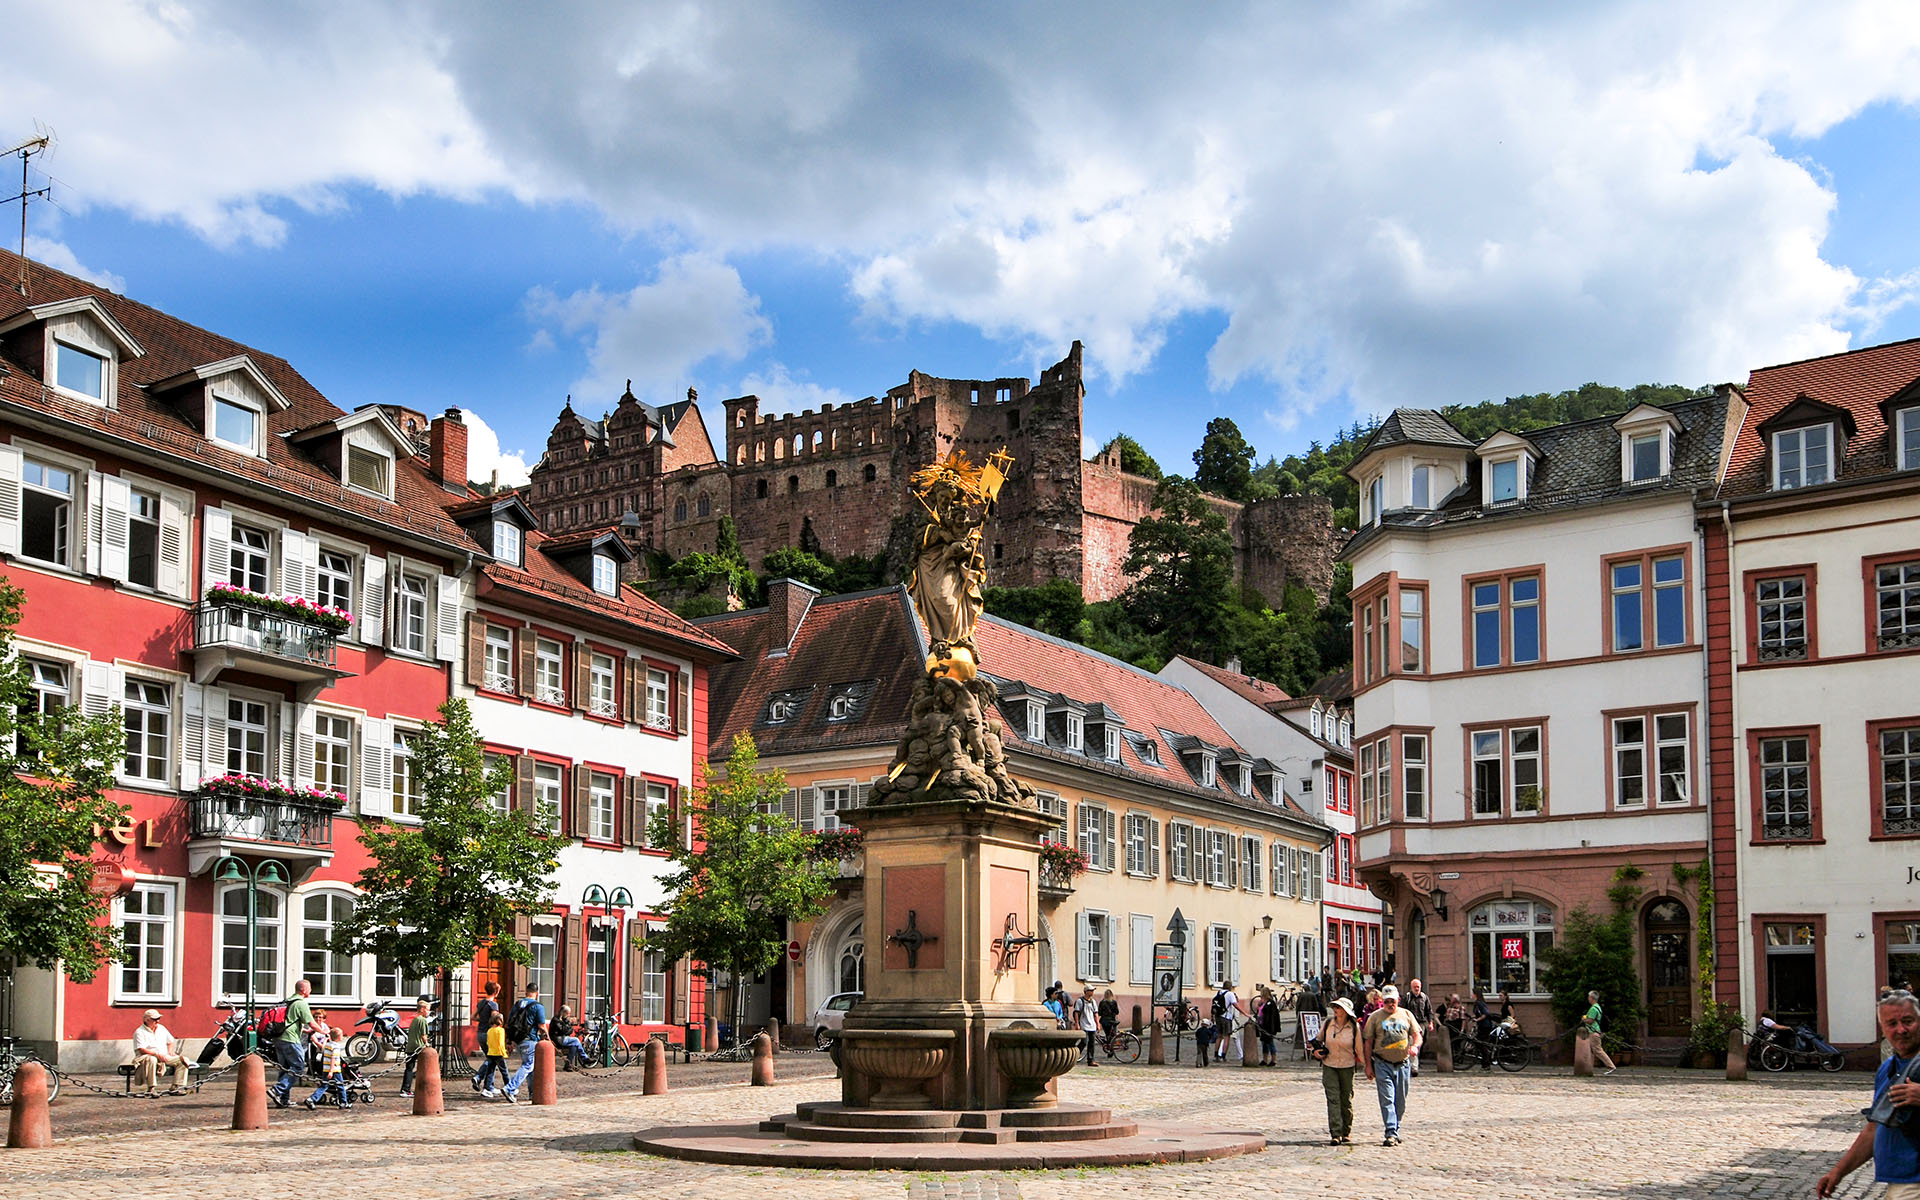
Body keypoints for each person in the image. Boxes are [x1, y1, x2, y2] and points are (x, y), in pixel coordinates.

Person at [1818, 989, 1920, 1197]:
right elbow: (1874, 1128)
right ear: (1882, 1028)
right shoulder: (1888, 1067)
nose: (1901, 1029)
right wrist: (1838, 1172)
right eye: (1892, 1024)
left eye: (1908, 1021)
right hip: (1897, 1180)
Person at [1363, 985, 1421, 1147]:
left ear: (1398, 1000)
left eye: (1393, 1001)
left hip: (1403, 1064)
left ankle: (1396, 1126)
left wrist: (1415, 1046)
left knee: (1400, 1101)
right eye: (1387, 1001)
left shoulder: (1407, 1014)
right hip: (1382, 1063)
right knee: (1387, 1098)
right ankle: (1390, 1132)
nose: (1390, 1004)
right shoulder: (1375, 1017)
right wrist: (1368, 1065)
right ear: (1382, 1001)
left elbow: (1417, 1035)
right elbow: (1368, 1043)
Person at [1313, 997, 1362, 1146]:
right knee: (1333, 1098)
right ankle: (1335, 1133)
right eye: (1334, 1007)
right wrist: (1316, 1051)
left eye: (1339, 1007)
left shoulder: (1354, 1027)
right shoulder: (1328, 1023)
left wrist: (1368, 1067)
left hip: (1347, 1066)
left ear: (1346, 1011)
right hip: (1330, 1065)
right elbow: (1317, 1040)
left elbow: (1359, 1049)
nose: (1336, 1010)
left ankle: (1346, 1131)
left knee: (1346, 1099)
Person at [270, 978, 320, 1108]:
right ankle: (277, 1090)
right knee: (298, 1066)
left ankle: (283, 1100)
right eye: (309, 988)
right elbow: (312, 1023)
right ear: (304, 990)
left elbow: (290, 1021)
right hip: (290, 1039)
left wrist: (305, 1031)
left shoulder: (288, 1000)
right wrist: (324, 1032)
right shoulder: (301, 1003)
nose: (311, 991)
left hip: (279, 1038)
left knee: (285, 1068)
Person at [503, 983, 548, 1103]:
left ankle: (532, 1093)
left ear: (526, 992)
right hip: (530, 1039)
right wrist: (548, 1039)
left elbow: (509, 1023)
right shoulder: (538, 1006)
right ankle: (510, 1088)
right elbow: (542, 1025)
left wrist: (509, 1040)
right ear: (537, 993)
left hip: (518, 1039)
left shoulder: (518, 1004)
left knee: (530, 1067)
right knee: (528, 1065)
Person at [131, 1009, 190, 1095]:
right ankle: (151, 1088)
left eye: (158, 1018)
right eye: (155, 1019)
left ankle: (176, 1087)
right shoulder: (139, 1032)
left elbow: (170, 1041)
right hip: (145, 1056)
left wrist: (169, 1052)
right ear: (147, 1020)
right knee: (152, 1060)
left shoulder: (161, 1028)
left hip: (163, 1055)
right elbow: (141, 1049)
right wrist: (156, 1054)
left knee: (184, 1060)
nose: (157, 1021)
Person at [302, 1022, 352, 1110]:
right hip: (335, 1070)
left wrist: (326, 1039)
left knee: (324, 1085)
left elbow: (323, 1047)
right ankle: (344, 1102)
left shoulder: (327, 1046)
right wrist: (332, 1071)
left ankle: (311, 1099)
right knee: (340, 1085)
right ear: (339, 1038)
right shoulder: (336, 1047)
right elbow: (334, 1058)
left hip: (325, 1069)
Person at [471, 981, 503, 1092]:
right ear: (496, 991)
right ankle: (481, 1079)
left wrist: (482, 1020)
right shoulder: (493, 1005)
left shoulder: (481, 1003)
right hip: (489, 1035)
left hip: (480, 1033)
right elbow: (495, 1019)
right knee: (492, 1059)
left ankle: (488, 1085)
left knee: (490, 1058)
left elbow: (473, 1017)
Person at [399, 997, 433, 1098]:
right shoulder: (422, 1020)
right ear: (422, 1009)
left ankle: (405, 1089)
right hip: (418, 1047)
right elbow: (423, 1035)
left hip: (410, 1047)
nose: (428, 1012)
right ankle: (429, 1087)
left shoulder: (414, 1020)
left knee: (409, 1069)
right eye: (427, 1009)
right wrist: (426, 1043)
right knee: (427, 1068)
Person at [1579, 990, 1618, 1076]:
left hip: (1593, 1032)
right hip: (1595, 1031)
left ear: (1591, 998)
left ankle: (1611, 1066)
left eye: (1589, 997)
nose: (1588, 998)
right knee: (1592, 1050)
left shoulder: (1593, 1008)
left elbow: (1590, 1020)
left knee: (1598, 1050)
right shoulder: (1597, 1007)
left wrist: (1584, 1019)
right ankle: (1588, 1067)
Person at [1403, 979, 1435, 1077]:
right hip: (1410, 1024)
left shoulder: (1424, 997)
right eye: (1415, 987)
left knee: (1420, 1044)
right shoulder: (1407, 997)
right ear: (1411, 987)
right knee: (1413, 1043)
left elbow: (1429, 1011)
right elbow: (1403, 1010)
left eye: (1418, 987)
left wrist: (1430, 1023)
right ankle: (1414, 1067)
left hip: (1421, 1024)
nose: (1417, 989)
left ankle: (1414, 1062)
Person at [480, 1011, 508, 1099]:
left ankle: (487, 1089)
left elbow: (488, 1042)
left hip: (490, 1053)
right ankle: (509, 1087)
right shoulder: (501, 1030)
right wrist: (504, 1052)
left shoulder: (489, 1030)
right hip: (498, 1053)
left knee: (490, 1071)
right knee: (504, 1072)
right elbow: (501, 1043)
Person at [1213, 981, 1243, 1063]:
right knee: (1226, 1037)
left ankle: (1216, 1055)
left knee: (1219, 1036)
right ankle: (1223, 1056)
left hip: (1218, 1016)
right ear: (1230, 987)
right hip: (1226, 1018)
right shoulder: (1230, 994)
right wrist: (1244, 1013)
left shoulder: (1219, 992)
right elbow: (1235, 1005)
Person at [1257, 985, 1284, 1066]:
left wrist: (1271, 1028)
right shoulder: (1264, 1003)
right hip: (1262, 1026)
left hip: (1268, 1027)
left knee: (1270, 1043)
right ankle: (1265, 1059)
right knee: (1264, 1043)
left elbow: (1271, 1017)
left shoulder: (1270, 1003)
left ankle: (1274, 1059)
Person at [1076, 986, 1100, 1064]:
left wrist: (1098, 1024)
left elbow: (1096, 1013)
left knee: (1092, 1043)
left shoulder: (1093, 1002)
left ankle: (1091, 1060)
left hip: (1092, 1025)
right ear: (1086, 991)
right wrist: (1077, 1024)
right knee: (1084, 1041)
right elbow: (1076, 1013)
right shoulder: (1080, 1001)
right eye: (1091, 990)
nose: (1092, 992)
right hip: (1084, 1024)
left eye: (1093, 991)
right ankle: (1075, 1055)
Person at [1097, 988, 1119, 1056]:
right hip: (1112, 1021)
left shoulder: (1102, 1002)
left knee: (1107, 1035)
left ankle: (1109, 1049)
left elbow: (1099, 1013)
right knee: (1112, 1036)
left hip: (1104, 1021)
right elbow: (1117, 1012)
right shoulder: (1114, 1002)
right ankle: (1111, 1050)